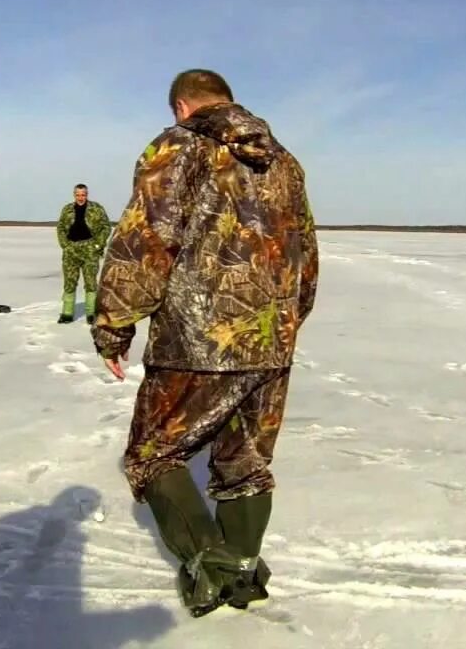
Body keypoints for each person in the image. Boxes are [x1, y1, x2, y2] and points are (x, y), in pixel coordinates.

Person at [90, 69, 319, 617]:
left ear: (181, 108)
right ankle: (241, 574)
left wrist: (113, 324)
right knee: (245, 461)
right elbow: (304, 251)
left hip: (198, 341)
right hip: (271, 339)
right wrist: (288, 320)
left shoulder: (180, 145)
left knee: (154, 452)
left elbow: (146, 237)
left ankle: (210, 570)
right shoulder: (284, 161)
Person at [55, 184, 112, 324]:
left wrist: (98, 244)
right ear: (74, 195)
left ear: (87, 194)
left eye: (83, 194)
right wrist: (65, 245)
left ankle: (91, 314)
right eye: (78, 195)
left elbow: (106, 227)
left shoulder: (96, 208)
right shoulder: (67, 209)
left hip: (89, 249)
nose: (81, 197)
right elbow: (61, 227)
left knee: (91, 282)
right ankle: (67, 313)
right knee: (69, 282)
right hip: (71, 249)